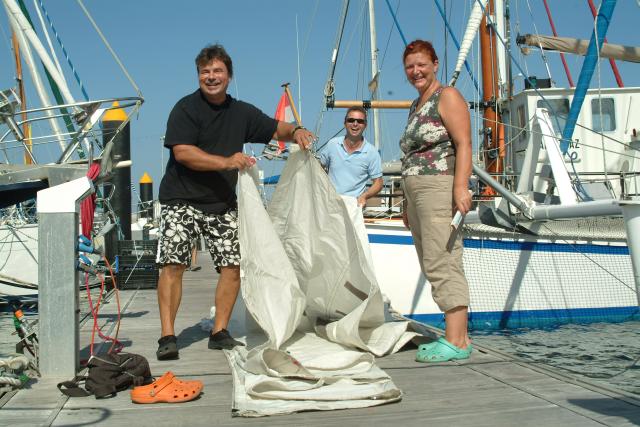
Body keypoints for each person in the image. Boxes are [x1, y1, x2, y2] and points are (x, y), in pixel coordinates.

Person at [155, 44, 315, 360]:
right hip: (181, 198)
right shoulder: (185, 109)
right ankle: (167, 336)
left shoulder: (241, 112)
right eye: (205, 72)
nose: (211, 77)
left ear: (229, 76)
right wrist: (227, 162)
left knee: (232, 265)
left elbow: (275, 128)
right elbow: (183, 153)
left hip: (222, 201)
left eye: (217, 71)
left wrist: (296, 130)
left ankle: (220, 331)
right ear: (198, 75)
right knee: (173, 264)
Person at [400, 40, 473, 362]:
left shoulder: (448, 96)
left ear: (435, 64)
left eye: (421, 65)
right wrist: (405, 202)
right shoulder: (416, 104)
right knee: (431, 261)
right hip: (415, 191)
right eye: (410, 67)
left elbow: (464, 144)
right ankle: (455, 336)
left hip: (438, 186)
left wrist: (461, 189)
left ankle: (457, 341)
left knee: (443, 260)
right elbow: (411, 154)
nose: (416, 71)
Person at [319, 107, 383, 267]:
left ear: (365, 125)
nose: (355, 124)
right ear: (345, 123)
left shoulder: (371, 153)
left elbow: (379, 182)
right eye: (351, 120)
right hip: (329, 206)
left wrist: (364, 196)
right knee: (326, 251)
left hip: (353, 209)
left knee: (350, 254)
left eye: (360, 121)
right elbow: (318, 167)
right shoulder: (332, 145)